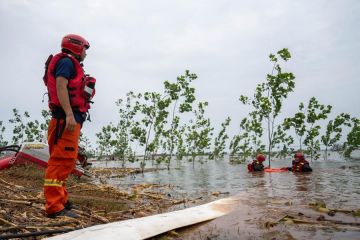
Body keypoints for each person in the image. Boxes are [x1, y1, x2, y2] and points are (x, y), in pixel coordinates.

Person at [43, 34, 96, 218]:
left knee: (66, 161)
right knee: (60, 162)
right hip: (64, 121)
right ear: (76, 47)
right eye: (84, 49)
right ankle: (54, 207)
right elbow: (60, 85)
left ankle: (62, 200)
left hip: (65, 121)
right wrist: (69, 114)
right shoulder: (66, 63)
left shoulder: (69, 63)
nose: (85, 54)